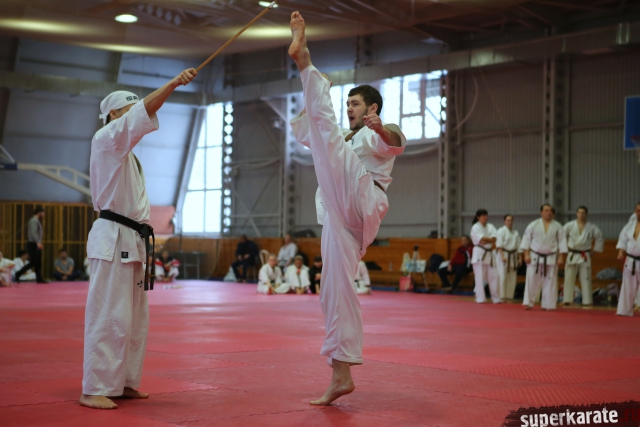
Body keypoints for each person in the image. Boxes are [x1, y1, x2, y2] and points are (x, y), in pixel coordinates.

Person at [289, 11, 406, 406]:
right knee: (333, 291)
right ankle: (341, 372)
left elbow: (395, 140)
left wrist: (380, 127)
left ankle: (306, 64)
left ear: (372, 107)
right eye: (348, 103)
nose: (350, 108)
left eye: (355, 103)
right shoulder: (345, 136)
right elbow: (309, 131)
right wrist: (314, 103)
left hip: (362, 196)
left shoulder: (372, 135)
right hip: (339, 216)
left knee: (330, 141)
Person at [81, 68, 197, 410]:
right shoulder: (106, 139)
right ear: (115, 116)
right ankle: (94, 388)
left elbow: (143, 113)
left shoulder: (126, 154)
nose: (138, 116)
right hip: (113, 237)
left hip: (132, 239)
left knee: (133, 319)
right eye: (130, 111)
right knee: (108, 314)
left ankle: (123, 382)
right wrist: (173, 84)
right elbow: (144, 111)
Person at [520, 204, 568, 310]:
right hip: (535, 256)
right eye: (546, 210)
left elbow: (562, 241)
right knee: (531, 280)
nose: (548, 212)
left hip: (551, 256)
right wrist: (526, 254)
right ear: (541, 212)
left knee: (550, 282)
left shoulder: (558, 226)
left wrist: (561, 257)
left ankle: (548, 304)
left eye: (550, 210)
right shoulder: (533, 225)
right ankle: (529, 302)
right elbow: (526, 240)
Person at [562, 206, 604, 306]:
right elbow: (561, 236)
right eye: (579, 212)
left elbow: (600, 237)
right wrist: (564, 249)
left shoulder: (592, 227)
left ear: (586, 214)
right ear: (576, 214)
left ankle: (587, 300)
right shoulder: (569, 225)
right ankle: (567, 299)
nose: (581, 215)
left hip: (585, 254)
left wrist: (595, 250)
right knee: (569, 277)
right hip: (572, 254)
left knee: (586, 278)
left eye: (583, 213)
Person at [470, 209, 501, 304]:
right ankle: (480, 298)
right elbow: (481, 241)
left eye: (486, 215)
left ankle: (496, 298)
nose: (485, 217)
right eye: (483, 215)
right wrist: (489, 239)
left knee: (494, 276)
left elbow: (494, 239)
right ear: (478, 217)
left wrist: (488, 240)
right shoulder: (475, 227)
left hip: (489, 254)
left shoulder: (490, 226)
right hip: (479, 253)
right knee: (479, 278)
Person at [616, 203, 640, 316]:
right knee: (627, 286)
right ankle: (624, 310)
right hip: (630, 260)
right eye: (638, 210)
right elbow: (623, 240)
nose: (639, 213)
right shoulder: (629, 226)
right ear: (635, 211)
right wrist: (621, 253)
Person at [14, 206, 48, 283]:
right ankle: (18, 273)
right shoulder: (34, 220)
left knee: (38, 262)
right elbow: (33, 232)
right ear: (39, 212)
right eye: (43, 212)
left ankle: (39, 278)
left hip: (35, 243)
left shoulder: (36, 220)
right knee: (33, 262)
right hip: (33, 243)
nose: (44, 214)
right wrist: (38, 242)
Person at [496, 214, 522, 301]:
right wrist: (502, 256)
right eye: (508, 220)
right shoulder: (501, 231)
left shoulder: (516, 232)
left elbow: (519, 246)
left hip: (513, 256)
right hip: (504, 255)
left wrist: (520, 258)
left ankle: (509, 296)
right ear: (504, 221)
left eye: (511, 220)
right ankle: (502, 296)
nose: (510, 222)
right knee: (502, 276)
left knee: (512, 277)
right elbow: (499, 245)